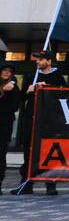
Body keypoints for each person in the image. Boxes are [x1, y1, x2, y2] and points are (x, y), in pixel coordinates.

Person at [12, 50, 65, 195]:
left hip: (48, 120)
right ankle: (26, 183)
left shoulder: (58, 77)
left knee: (48, 151)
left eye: (41, 59)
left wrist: (48, 88)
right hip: (31, 118)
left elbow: (63, 97)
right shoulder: (31, 77)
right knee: (28, 152)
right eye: (37, 59)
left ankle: (51, 184)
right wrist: (28, 91)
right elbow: (21, 99)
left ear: (49, 61)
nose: (37, 61)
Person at [0, 63, 21, 191]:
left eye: (9, 71)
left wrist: (9, 91)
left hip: (4, 124)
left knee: (1, 154)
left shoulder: (13, 87)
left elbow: (14, 107)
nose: (7, 73)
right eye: (4, 70)